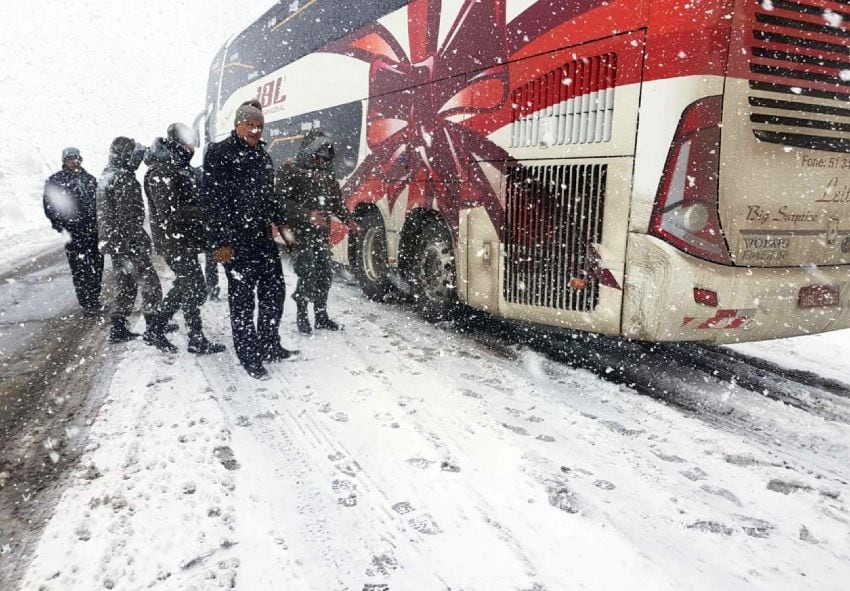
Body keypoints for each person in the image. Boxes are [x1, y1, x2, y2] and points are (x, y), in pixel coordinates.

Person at [202, 100, 295, 379]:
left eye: (260, 126)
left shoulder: (263, 155)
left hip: (262, 239)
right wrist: (221, 243)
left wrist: (285, 229)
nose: (256, 130)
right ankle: (249, 355)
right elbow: (214, 203)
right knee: (242, 301)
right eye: (251, 125)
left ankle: (269, 343)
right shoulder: (219, 153)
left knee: (275, 292)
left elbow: (271, 198)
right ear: (238, 125)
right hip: (235, 242)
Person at [144, 123, 225, 355]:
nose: (191, 148)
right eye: (187, 144)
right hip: (173, 241)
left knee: (188, 286)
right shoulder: (161, 171)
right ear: (176, 144)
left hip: (185, 240)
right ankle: (161, 329)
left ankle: (191, 336)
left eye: (193, 144)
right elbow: (169, 213)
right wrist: (205, 211)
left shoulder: (180, 167)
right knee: (196, 289)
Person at [97, 136, 175, 351]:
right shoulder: (124, 178)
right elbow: (128, 217)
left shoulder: (107, 175)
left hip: (115, 243)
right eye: (134, 156)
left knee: (126, 286)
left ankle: (118, 327)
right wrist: (137, 241)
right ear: (125, 155)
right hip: (128, 243)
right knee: (151, 285)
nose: (138, 161)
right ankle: (154, 327)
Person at [275, 130, 354, 334]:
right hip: (297, 235)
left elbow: (336, 202)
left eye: (324, 158)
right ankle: (302, 314)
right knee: (306, 273)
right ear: (308, 152)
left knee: (324, 275)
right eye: (317, 157)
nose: (320, 161)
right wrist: (307, 214)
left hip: (320, 235)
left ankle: (321, 315)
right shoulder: (290, 170)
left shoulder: (327, 175)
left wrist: (349, 220)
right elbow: (281, 203)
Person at [42, 147, 104, 316]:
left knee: (97, 266)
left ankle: (95, 297)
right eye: (70, 158)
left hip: (93, 232)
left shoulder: (89, 179)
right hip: (73, 234)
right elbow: (50, 207)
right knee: (79, 269)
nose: (74, 161)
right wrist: (62, 227)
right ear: (64, 160)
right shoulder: (55, 181)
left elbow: (100, 203)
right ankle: (87, 302)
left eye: (77, 157)